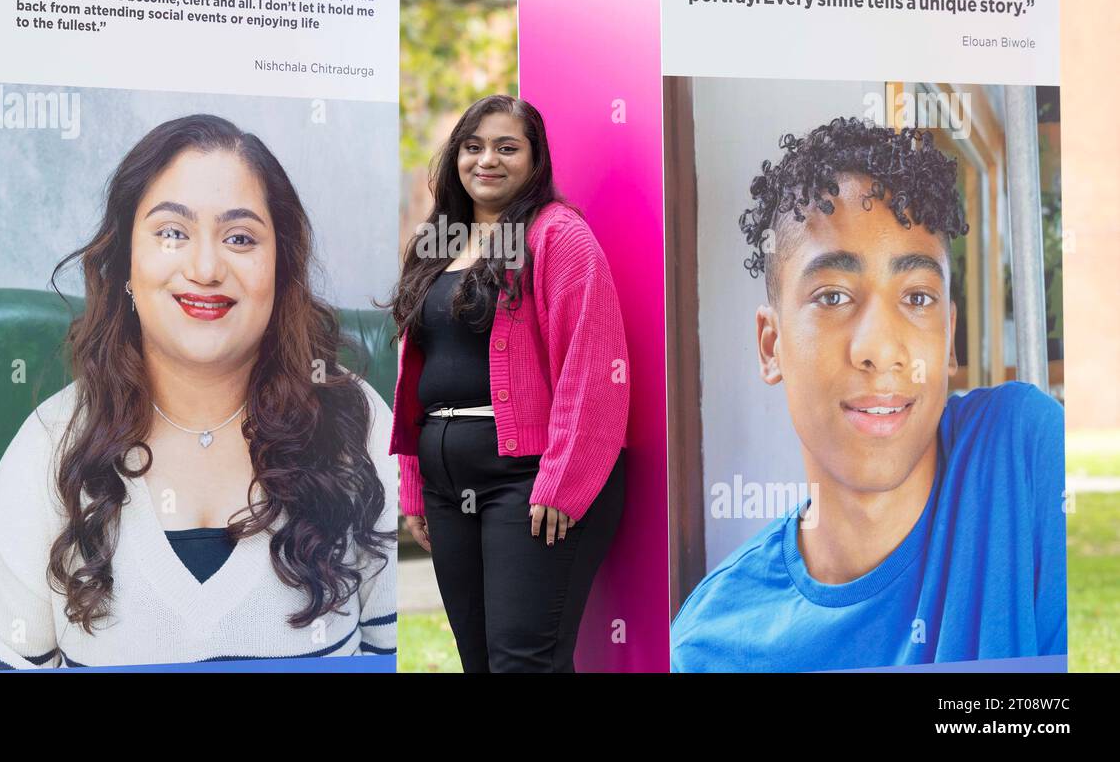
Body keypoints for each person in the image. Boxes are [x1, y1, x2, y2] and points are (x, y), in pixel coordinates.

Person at [0, 114, 396, 669]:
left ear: (282, 266)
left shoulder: (356, 426)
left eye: (240, 238)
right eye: (172, 232)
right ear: (127, 260)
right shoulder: (51, 446)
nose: (205, 268)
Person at [670, 117, 1066, 672]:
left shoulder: (1022, 460)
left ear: (947, 339)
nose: (880, 349)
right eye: (833, 296)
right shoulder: (710, 646)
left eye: (918, 297)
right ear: (771, 344)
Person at [386, 94, 629, 673]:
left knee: (523, 663)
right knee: (479, 662)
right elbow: (418, 378)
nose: (486, 160)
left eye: (505, 147)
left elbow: (593, 367)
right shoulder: (437, 243)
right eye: (473, 147)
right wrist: (416, 487)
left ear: (535, 159)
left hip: (530, 482)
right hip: (448, 482)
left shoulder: (558, 236)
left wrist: (562, 484)